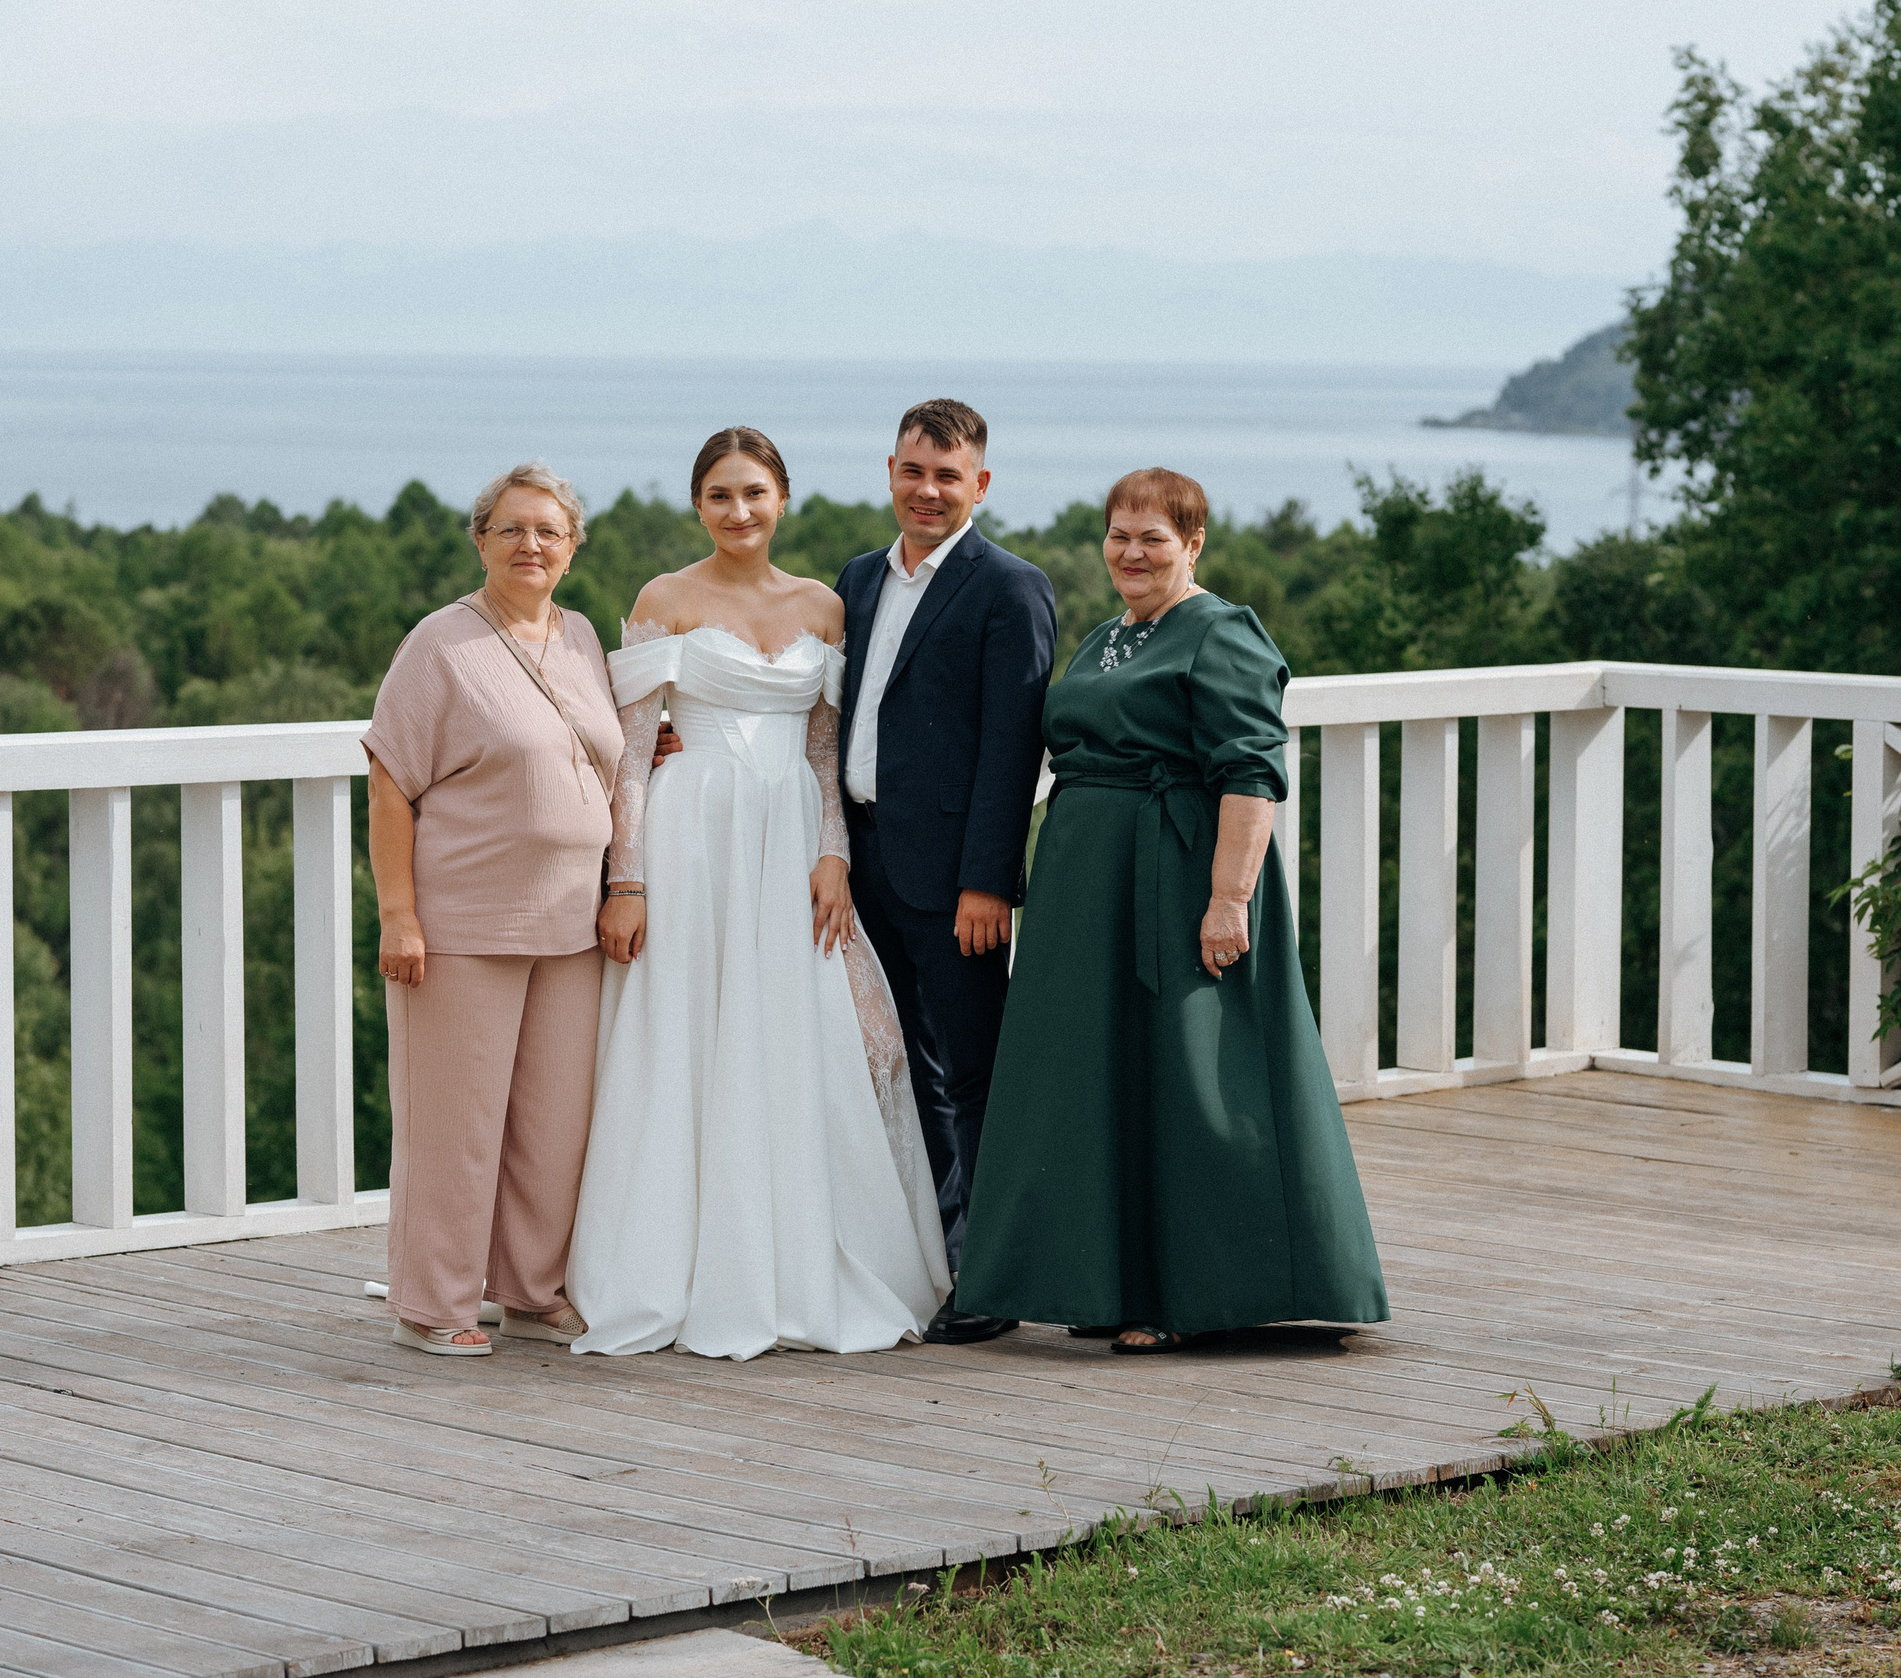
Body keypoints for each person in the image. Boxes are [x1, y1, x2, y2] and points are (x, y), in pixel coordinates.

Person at [953, 467, 1388, 1353]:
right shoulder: (1105, 636)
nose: (1132, 552)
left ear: (1193, 543)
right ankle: (1103, 1282)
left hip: (1178, 880)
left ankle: (1182, 1296)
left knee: (1186, 1079)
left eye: (1155, 537)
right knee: (1095, 1082)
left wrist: (1230, 897)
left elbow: (1250, 773)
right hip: (1086, 896)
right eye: (1119, 534)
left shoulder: (1221, 631)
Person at [565, 426, 950, 1359]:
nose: (739, 512)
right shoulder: (664, 599)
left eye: (754, 493)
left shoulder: (824, 606)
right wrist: (630, 878)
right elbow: (629, 759)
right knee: (691, 1031)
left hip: (790, 848)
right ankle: (679, 1260)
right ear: (697, 505)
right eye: (720, 495)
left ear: (783, 499)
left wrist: (833, 856)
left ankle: (803, 1256)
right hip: (693, 840)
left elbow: (824, 751)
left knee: (801, 1031)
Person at [363, 462, 623, 1357]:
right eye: (511, 529)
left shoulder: (583, 637)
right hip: (463, 923)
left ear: (573, 546)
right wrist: (399, 912)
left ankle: (530, 1291)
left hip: (571, 925)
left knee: (552, 1126)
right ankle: (432, 1304)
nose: (531, 545)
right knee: (454, 1124)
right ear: (480, 540)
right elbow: (391, 778)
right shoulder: (442, 644)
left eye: (548, 530)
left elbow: (611, 752)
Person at [833, 399, 1057, 1346]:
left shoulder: (1010, 588)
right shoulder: (855, 579)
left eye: (948, 476)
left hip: (955, 880)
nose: (928, 491)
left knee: (972, 1075)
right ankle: (922, 1252)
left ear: (980, 484)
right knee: (892, 1066)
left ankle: (990, 1271)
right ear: (890, 471)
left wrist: (988, 882)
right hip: (862, 859)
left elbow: (1014, 750)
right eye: (914, 472)